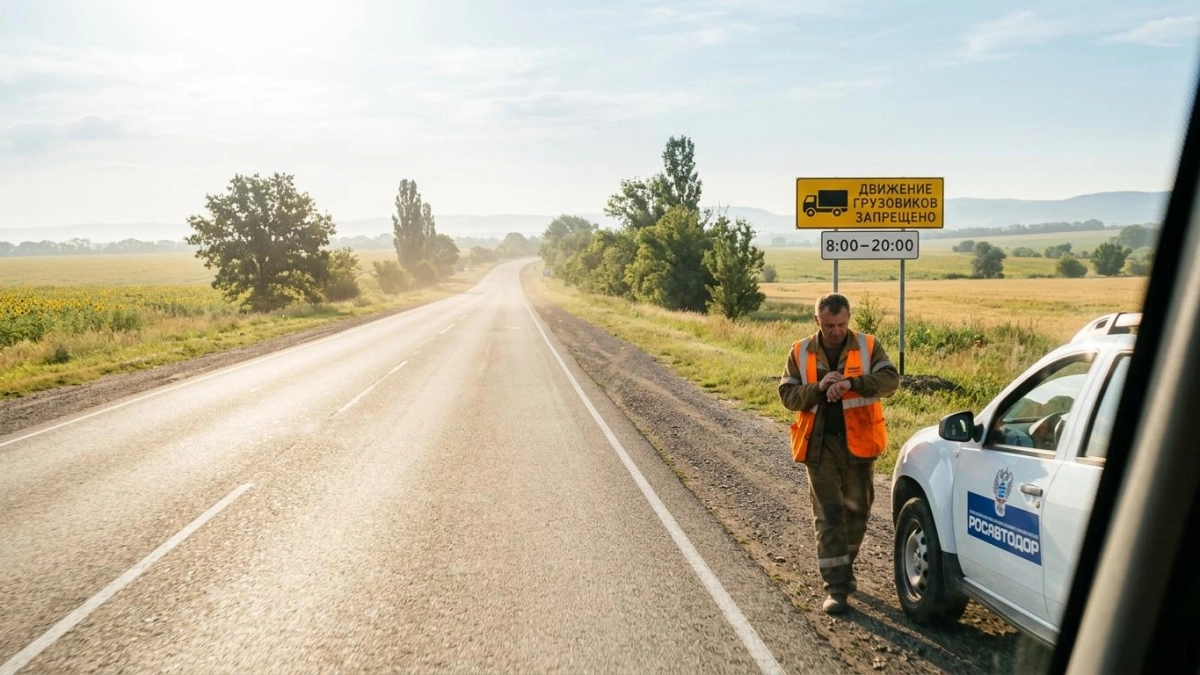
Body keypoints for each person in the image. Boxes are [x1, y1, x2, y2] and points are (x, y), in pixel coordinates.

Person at [778, 292, 899, 615]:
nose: (836, 331)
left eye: (842, 324)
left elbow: (890, 381)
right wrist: (819, 388)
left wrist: (851, 384)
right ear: (817, 320)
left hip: (860, 444)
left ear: (849, 319)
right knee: (830, 516)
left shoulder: (868, 345)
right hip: (819, 447)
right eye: (829, 325)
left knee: (857, 516)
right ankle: (836, 588)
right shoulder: (800, 351)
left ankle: (844, 569)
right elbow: (787, 395)